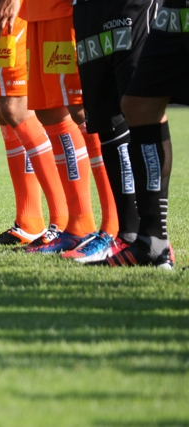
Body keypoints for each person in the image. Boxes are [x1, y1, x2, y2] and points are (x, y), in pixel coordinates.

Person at [0, 0, 115, 255]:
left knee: (81, 110)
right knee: (46, 109)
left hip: (60, 9)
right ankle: (73, 226)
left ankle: (111, 228)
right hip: (35, 12)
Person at [66, 0, 163, 262]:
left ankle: (156, 239)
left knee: (140, 107)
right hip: (87, 9)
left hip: (129, 6)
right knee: (105, 119)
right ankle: (128, 236)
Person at [92, 0, 185, 269]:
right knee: (138, 103)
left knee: (138, 102)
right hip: (174, 9)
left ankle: (151, 240)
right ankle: (152, 241)